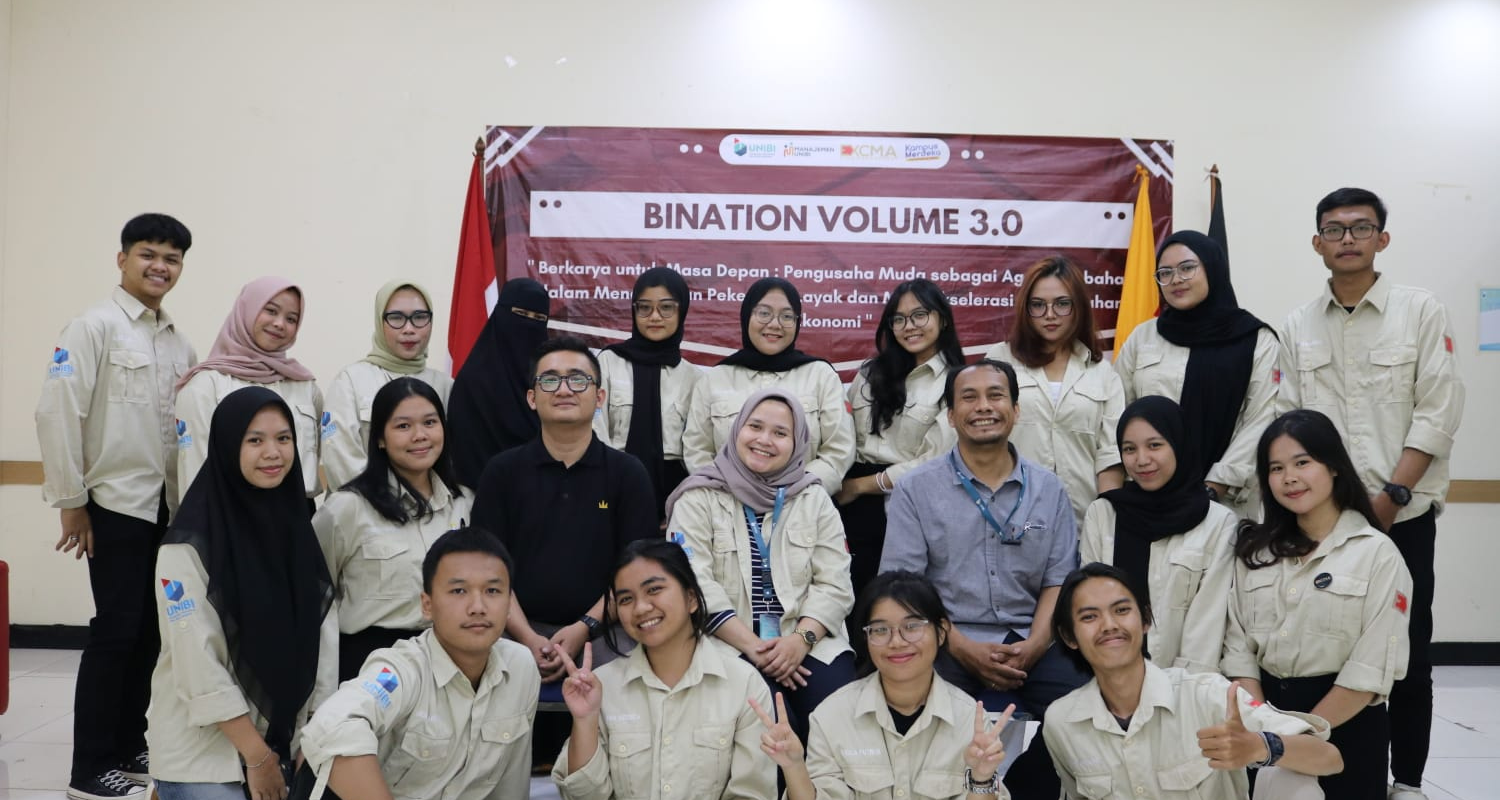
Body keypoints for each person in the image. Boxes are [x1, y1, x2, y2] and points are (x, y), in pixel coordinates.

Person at [1277, 187, 1465, 800]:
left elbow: (1437, 412)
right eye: (1334, 230)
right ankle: (1341, 771)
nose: (1348, 239)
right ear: (1317, 243)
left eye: (1361, 228)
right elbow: (1288, 421)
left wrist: (1389, 500)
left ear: (1382, 239)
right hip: (1320, 525)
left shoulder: (1419, 311)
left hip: (1402, 519)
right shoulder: (1298, 325)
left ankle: (1406, 781)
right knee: (1331, 651)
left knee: (1405, 653)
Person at [35, 213, 197, 800]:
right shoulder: (93, 327)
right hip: (113, 505)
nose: (160, 266)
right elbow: (58, 412)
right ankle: (89, 768)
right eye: (148, 253)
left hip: (166, 511)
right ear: (122, 258)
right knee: (115, 632)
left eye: (172, 258)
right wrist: (71, 502)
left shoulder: (180, 342)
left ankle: (129, 744)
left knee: (152, 634)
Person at [880, 359, 1085, 798]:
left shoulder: (1049, 489)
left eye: (996, 396)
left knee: (1086, 713)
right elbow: (903, 588)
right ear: (951, 416)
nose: (984, 407)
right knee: (925, 729)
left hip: (1033, 637)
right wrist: (961, 647)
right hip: (944, 640)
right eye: (969, 398)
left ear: (1016, 409)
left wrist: (1036, 644)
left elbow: (1059, 580)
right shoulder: (917, 489)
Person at [470, 336, 658, 767]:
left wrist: (584, 627)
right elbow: (488, 572)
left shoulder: (628, 474)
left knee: (623, 720)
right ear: (532, 397)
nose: (565, 389)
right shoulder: (502, 472)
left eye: (578, 379)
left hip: (606, 628)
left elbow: (636, 575)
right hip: (513, 628)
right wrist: (527, 638)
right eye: (551, 380)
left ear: (600, 397)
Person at [146, 386, 337, 800]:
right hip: (204, 752)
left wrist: (312, 738)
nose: (273, 452)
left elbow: (324, 639)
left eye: (283, 438)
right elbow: (199, 667)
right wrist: (258, 757)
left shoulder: (297, 532)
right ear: (227, 446)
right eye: (255, 440)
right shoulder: (185, 548)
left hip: (290, 740)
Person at [1221, 409, 1415, 800]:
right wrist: (1266, 729)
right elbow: (1238, 649)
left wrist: (1296, 737)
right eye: (1276, 468)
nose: (1289, 477)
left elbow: (1369, 669)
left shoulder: (1377, 554)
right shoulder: (1256, 553)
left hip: (1347, 726)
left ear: (1334, 466)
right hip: (1262, 725)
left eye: (1302, 462)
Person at [1046, 562, 1343, 799]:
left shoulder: (1208, 693)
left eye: (1122, 610)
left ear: (1145, 620)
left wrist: (1257, 746)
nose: (1109, 625)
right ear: (1069, 636)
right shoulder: (1061, 722)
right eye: (1089, 617)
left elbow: (1330, 758)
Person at [667, 389, 858, 739]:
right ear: (737, 429)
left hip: (810, 642)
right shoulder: (697, 497)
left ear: (797, 444)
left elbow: (835, 585)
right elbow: (693, 585)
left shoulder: (814, 497)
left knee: (836, 719)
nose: (764, 440)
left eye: (780, 433)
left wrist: (799, 641)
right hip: (726, 645)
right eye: (754, 426)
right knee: (766, 724)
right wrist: (755, 648)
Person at [298, 527, 538, 800]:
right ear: (427, 605)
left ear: (509, 603)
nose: (477, 607)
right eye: (459, 590)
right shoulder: (400, 670)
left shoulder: (520, 666)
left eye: (492, 590)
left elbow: (511, 783)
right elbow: (332, 725)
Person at [759, 570, 1018, 800]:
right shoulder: (832, 715)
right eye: (881, 630)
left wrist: (982, 780)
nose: (897, 642)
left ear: (941, 632)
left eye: (912, 626)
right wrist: (793, 766)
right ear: (866, 638)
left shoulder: (969, 719)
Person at [552, 539, 776, 800]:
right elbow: (583, 796)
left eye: (654, 590)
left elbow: (752, 793)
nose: (640, 608)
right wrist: (585, 720)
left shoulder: (743, 683)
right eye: (626, 599)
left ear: (691, 598)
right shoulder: (602, 685)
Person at [313, 377, 471, 681]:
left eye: (430, 422)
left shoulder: (463, 503)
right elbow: (314, 594)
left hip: (447, 660)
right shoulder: (348, 507)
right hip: (369, 664)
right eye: (403, 426)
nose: (420, 435)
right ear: (380, 439)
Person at [1112, 230, 1279, 518]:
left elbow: (1263, 418)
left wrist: (1214, 486)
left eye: (1187, 268)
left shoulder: (1256, 339)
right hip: (1148, 497)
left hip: (1225, 505)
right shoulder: (1143, 337)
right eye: (1165, 273)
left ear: (1212, 268)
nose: (1176, 280)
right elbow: (1118, 410)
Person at [1080, 396, 1237, 673]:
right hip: (1109, 678)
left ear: (1178, 444)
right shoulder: (1103, 513)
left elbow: (1206, 628)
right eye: (1129, 449)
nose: (1142, 460)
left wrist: (1176, 690)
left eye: (1154, 445)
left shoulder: (1218, 523)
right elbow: (1090, 607)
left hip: (1187, 685)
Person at [839, 279, 964, 600]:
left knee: (896, 600)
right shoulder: (869, 373)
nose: (909, 326)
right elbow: (843, 435)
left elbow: (936, 460)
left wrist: (861, 486)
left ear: (942, 319)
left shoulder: (956, 381)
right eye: (899, 319)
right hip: (848, 503)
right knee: (846, 597)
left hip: (907, 503)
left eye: (920, 315)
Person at [682, 277, 855, 496]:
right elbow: (697, 451)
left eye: (786, 316)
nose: (775, 324)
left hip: (803, 505)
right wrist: (731, 495)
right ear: (747, 316)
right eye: (764, 313)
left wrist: (794, 493)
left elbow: (839, 450)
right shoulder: (714, 380)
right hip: (726, 505)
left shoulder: (821, 376)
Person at [987, 256, 1125, 529]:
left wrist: (1105, 524)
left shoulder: (1101, 372)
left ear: (1078, 307)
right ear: (1025, 309)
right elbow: (981, 441)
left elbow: (1110, 456)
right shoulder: (999, 360)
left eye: (1062, 304)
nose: (1050, 314)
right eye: (1038, 305)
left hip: (1082, 524)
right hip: (1009, 521)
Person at [174, 276, 323, 502]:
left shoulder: (305, 386)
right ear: (246, 310)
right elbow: (195, 472)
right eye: (271, 311)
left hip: (298, 512)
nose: (280, 323)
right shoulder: (205, 385)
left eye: (291, 319)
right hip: (231, 512)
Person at [321, 280, 455, 491]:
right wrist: (391, 501)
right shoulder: (350, 381)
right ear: (379, 321)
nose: (409, 329)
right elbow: (340, 459)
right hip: (365, 506)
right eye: (396, 318)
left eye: (420, 317)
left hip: (435, 507)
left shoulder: (447, 386)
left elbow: (454, 460)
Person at [594, 267, 702, 520]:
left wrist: (685, 504)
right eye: (645, 307)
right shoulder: (608, 362)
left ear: (682, 311)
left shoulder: (694, 378)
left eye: (666, 308)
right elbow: (595, 427)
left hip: (673, 495)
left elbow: (698, 447)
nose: (655, 317)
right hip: (612, 481)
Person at [446, 277, 551, 487]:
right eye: (520, 314)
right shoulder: (473, 382)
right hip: (481, 494)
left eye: (539, 318)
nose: (529, 325)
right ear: (501, 315)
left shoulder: (550, 382)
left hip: (544, 491)